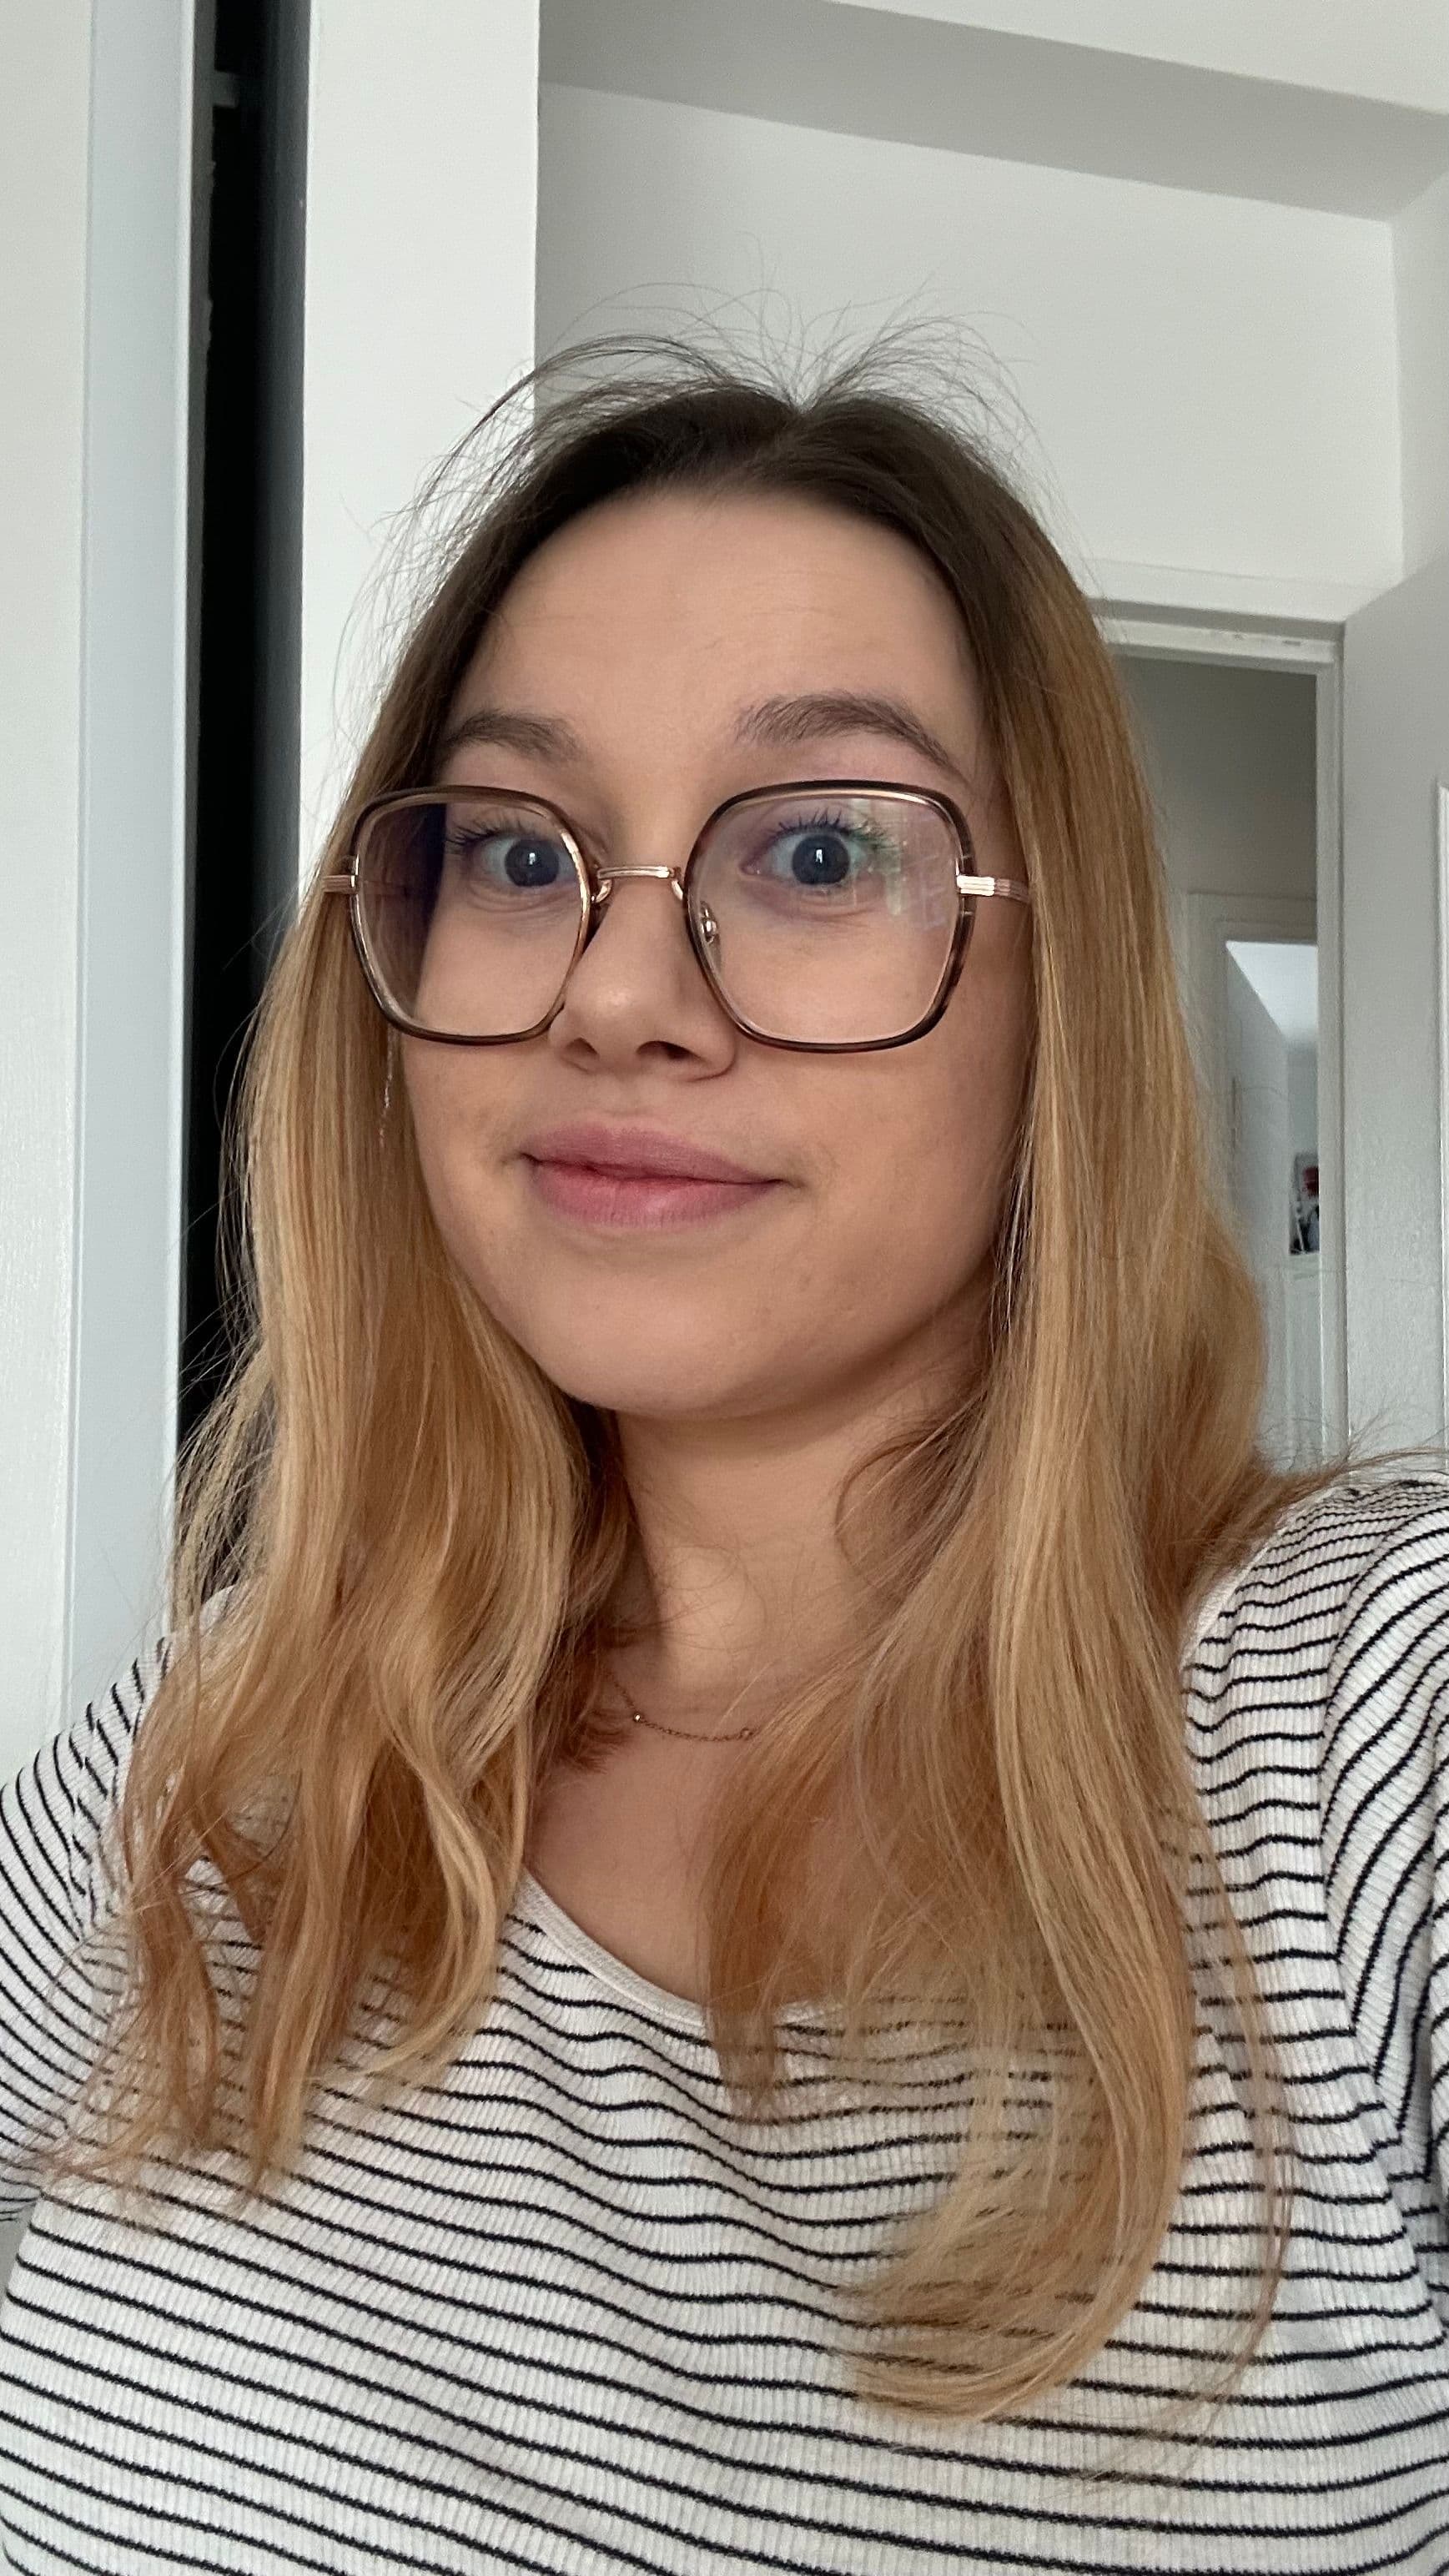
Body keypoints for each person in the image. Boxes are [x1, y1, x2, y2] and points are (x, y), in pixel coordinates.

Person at [3, 334, 1447, 2574]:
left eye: (816, 850)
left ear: (1057, 1001)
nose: (613, 995)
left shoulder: (1368, 1727)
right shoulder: (206, 1747)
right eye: (518, 850)